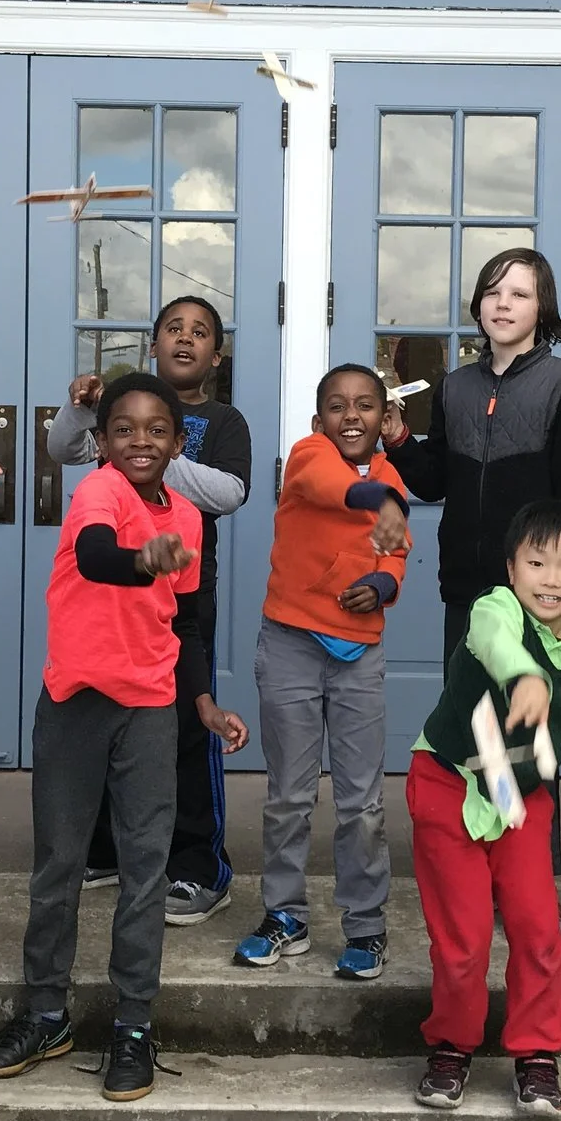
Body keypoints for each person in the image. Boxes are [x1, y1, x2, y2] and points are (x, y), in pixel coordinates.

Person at [0, 372, 246, 1102]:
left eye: (157, 430)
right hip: (76, 706)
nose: (140, 441)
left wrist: (204, 702)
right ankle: (45, 1012)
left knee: (145, 868)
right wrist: (140, 561)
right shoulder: (99, 491)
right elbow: (97, 556)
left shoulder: (186, 517)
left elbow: (186, 624)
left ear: (179, 442)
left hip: (151, 708)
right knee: (59, 863)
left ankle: (133, 1024)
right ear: (101, 441)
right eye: (123, 429)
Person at [404, 500, 561, 1116]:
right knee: (464, 939)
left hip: (522, 796)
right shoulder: (494, 609)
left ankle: (537, 1053)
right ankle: (452, 1045)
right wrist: (524, 676)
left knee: (539, 929)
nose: (551, 579)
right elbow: (494, 641)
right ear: (511, 568)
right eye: (536, 563)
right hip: (449, 783)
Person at [382, 247, 561, 928]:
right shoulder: (454, 387)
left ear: (543, 308)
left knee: (529, 738)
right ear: (478, 305)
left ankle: (530, 883)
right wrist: (398, 438)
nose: (503, 304)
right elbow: (435, 480)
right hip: (467, 592)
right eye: (492, 292)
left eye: (520, 293)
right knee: (476, 727)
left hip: (538, 596)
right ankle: (480, 866)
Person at [46, 295, 253, 926]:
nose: (185, 339)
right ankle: (107, 850)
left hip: (180, 592)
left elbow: (230, 492)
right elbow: (62, 448)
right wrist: (83, 410)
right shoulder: (119, 415)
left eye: (200, 332)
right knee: (107, 724)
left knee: (183, 726)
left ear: (216, 355)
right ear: (153, 342)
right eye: (173, 329)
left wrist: (150, 457)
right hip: (106, 603)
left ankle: (198, 866)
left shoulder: (222, 420)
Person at [234, 364, 412, 981]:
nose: (351, 415)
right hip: (291, 642)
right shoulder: (308, 456)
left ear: (384, 419)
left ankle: (365, 925)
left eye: (365, 405)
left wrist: (382, 584)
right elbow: (335, 487)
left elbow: (397, 554)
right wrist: (382, 500)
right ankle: (285, 915)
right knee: (290, 795)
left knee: (363, 802)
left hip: (359, 654)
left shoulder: (391, 478)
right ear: (319, 421)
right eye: (337, 406)